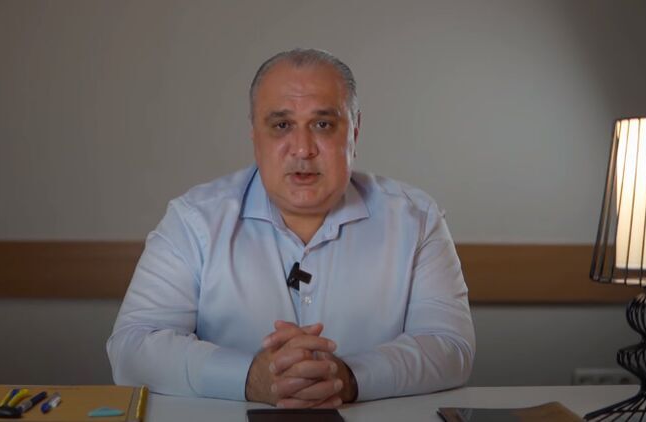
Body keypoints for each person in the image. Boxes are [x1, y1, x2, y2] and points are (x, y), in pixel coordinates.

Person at [107, 48, 475, 408]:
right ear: (255, 134)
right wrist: (251, 377)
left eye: (323, 124)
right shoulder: (193, 220)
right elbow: (131, 348)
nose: (302, 149)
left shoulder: (416, 219)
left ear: (355, 132)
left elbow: (451, 347)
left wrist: (348, 377)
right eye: (282, 125)